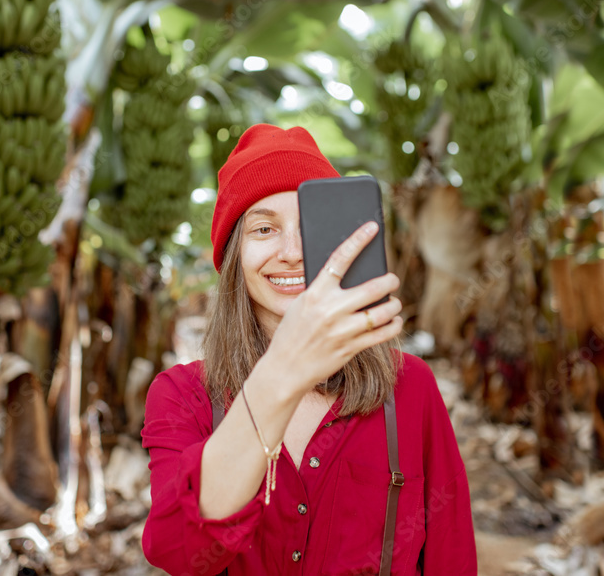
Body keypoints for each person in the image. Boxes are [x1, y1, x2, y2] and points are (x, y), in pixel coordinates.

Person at [140, 124, 477, 575]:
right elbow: (177, 552)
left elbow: (450, 557)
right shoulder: (183, 397)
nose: (292, 252)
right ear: (233, 254)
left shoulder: (409, 387)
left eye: (309, 227)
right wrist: (282, 371)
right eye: (264, 228)